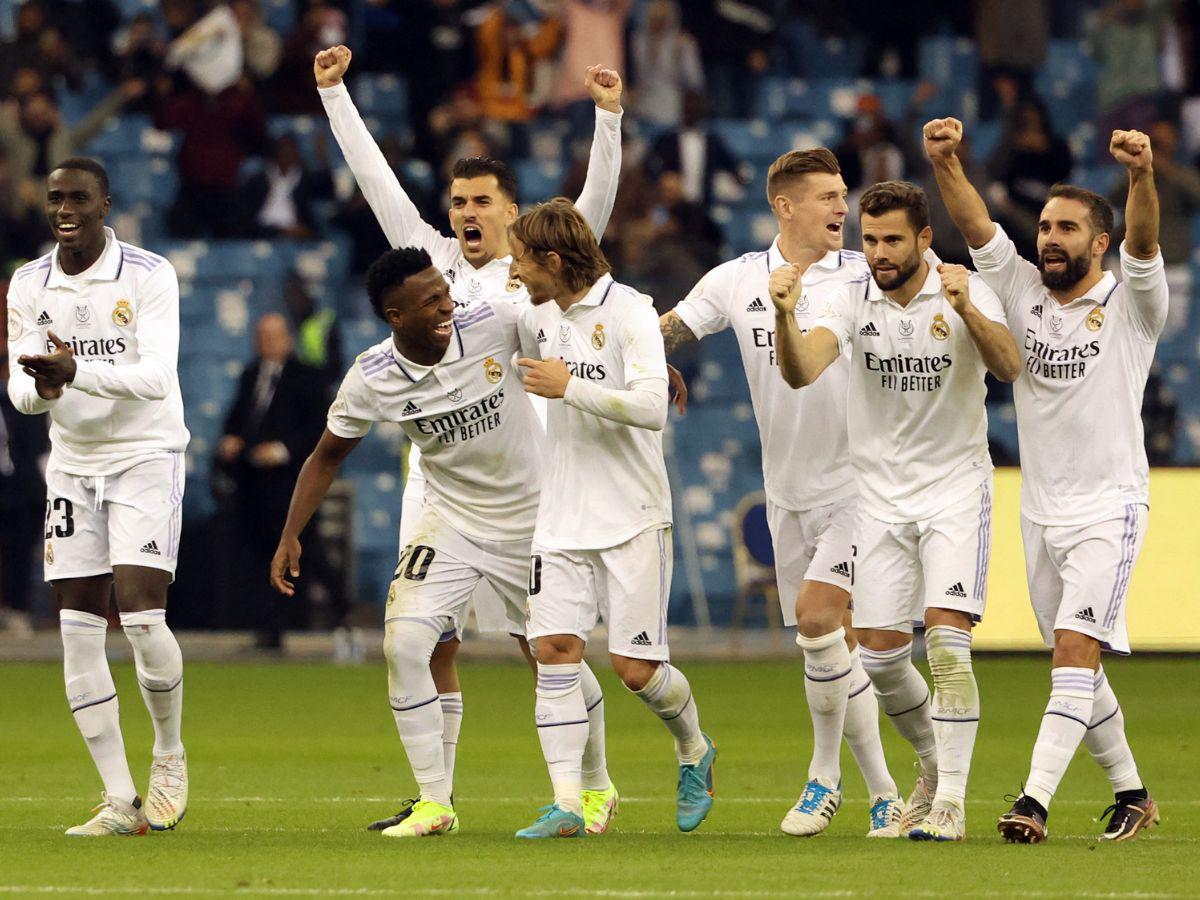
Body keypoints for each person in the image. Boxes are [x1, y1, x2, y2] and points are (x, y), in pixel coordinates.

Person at [314, 43, 624, 831]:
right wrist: (335, 95)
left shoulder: (534, 269)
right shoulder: (431, 264)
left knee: (542, 646)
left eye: (481, 201)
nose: (466, 213)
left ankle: (594, 782)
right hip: (439, 487)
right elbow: (376, 181)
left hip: (527, 482)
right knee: (425, 640)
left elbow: (591, 212)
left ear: (511, 211)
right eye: (457, 202)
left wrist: (608, 119)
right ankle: (436, 798)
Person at [269, 246, 617, 838]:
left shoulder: (495, 322)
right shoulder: (373, 375)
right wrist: (290, 534)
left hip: (533, 520)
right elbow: (326, 455)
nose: (447, 306)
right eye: (431, 300)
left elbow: (574, 339)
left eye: (445, 292)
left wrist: (641, 370)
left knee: (552, 654)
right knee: (404, 643)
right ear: (395, 316)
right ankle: (435, 803)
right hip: (452, 522)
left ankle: (597, 785)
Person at [925, 116, 1165, 843]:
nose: (1050, 239)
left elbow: (1145, 244)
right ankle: (1133, 794)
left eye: (1067, 229)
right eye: (1045, 227)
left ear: (1099, 243)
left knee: (1073, 653)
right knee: (1077, 665)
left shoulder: (1131, 305)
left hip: (1109, 507)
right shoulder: (1022, 288)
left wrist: (1141, 175)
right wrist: (945, 162)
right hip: (1040, 511)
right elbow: (976, 226)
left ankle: (1033, 801)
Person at [658, 148, 903, 838]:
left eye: (843, 194)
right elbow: (667, 329)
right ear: (785, 206)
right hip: (787, 492)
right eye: (827, 196)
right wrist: (649, 362)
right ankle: (886, 793)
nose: (841, 208)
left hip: (861, 485)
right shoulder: (737, 279)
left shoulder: (865, 275)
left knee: (818, 619)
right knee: (829, 645)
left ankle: (823, 780)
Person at [772, 181, 1021, 842]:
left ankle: (952, 805)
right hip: (878, 498)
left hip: (954, 490)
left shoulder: (964, 288)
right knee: (881, 659)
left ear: (924, 239)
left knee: (946, 641)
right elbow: (801, 371)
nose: (878, 252)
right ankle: (934, 767)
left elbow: (1009, 366)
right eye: (870, 239)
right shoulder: (850, 296)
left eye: (891, 240)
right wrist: (785, 318)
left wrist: (968, 311)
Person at [510, 198, 716, 838]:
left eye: (521, 261)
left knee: (636, 671)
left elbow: (652, 409)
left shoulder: (630, 312)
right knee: (554, 652)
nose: (513, 272)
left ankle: (694, 748)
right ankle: (568, 804)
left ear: (552, 260)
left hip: (632, 515)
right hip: (561, 514)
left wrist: (569, 387)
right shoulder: (536, 314)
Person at [6, 158, 191, 835]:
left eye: (79, 197)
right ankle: (120, 800)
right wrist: (45, 387)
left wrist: (75, 370)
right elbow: (20, 391)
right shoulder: (29, 282)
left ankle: (168, 755)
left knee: (141, 615)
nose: (66, 209)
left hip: (145, 456)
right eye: (56, 197)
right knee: (77, 632)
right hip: (72, 467)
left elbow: (156, 377)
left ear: (105, 205)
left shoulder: (149, 274)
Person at [215, 313, 330, 650]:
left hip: (291, 484)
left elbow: (320, 428)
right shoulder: (250, 375)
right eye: (261, 336)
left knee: (305, 552)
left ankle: (337, 611)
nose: (266, 342)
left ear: (288, 339)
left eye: (273, 335)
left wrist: (282, 450)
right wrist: (232, 440)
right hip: (253, 485)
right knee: (257, 555)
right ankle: (268, 628)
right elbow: (238, 419)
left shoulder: (307, 377)